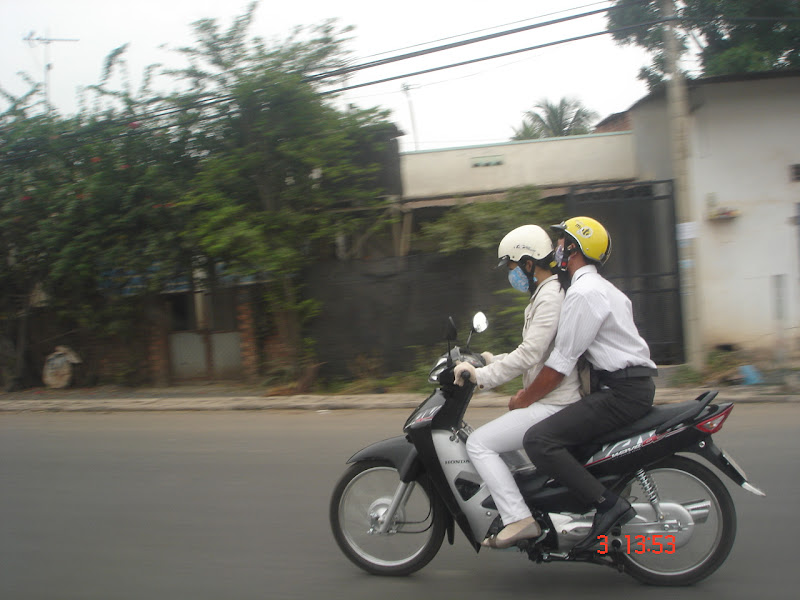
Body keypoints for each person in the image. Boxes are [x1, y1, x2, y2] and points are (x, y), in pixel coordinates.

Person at [512, 216, 658, 553]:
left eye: (562, 242)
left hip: (620, 393)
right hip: (630, 387)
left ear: (574, 249)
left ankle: (608, 505)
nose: (557, 249)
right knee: (571, 448)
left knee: (539, 440)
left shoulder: (582, 293)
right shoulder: (604, 288)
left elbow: (559, 365)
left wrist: (525, 399)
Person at [454, 224, 580, 549]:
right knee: (501, 442)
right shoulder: (544, 294)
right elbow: (534, 353)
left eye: (511, 267)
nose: (511, 274)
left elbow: (531, 353)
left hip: (555, 403)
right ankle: (532, 505)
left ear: (528, 263)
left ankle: (518, 518)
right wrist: (489, 358)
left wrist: (482, 377)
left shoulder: (550, 297)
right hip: (552, 399)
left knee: (479, 444)